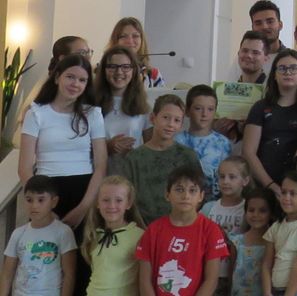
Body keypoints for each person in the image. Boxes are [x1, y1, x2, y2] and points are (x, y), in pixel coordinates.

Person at [18, 53, 107, 228]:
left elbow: (101, 166)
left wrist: (83, 209)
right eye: (70, 77)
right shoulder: (36, 113)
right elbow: (24, 168)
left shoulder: (93, 114)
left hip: (84, 192)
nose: (75, 84)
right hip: (46, 193)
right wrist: (42, 206)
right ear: (57, 77)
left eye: (82, 80)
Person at [134, 166, 228, 296]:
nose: (186, 196)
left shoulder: (210, 230)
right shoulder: (153, 230)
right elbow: (145, 280)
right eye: (179, 189)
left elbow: (211, 280)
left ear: (201, 196)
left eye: (192, 190)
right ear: (167, 195)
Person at [0, 176, 77, 296]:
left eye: (41, 200)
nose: (34, 206)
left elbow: (69, 274)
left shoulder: (63, 232)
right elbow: (7, 274)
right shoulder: (18, 233)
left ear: (54, 202)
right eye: (29, 200)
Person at [242, 49, 297, 193]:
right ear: (274, 75)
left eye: (293, 68)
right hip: (263, 186)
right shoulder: (260, 107)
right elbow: (248, 152)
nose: (288, 73)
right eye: (282, 68)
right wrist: (271, 186)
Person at [124, 94, 203, 223]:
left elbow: (198, 195)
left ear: (181, 124)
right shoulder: (134, 158)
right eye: (166, 117)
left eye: (176, 120)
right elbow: (128, 199)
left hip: (180, 225)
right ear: (152, 118)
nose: (170, 124)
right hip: (142, 227)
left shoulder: (187, 155)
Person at [79, 176, 147, 296]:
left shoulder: (139, 236)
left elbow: (146, 280)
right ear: (98, 203)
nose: (111, 206)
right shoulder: (94, 234)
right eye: (106, 200)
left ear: (128, 204)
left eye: (119, 200)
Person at [200, 156, 250, 296]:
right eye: (222, 177)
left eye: (232, 177)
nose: (225, 181)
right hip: (212, 275)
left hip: (240, 275)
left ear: (245, 180)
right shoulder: (208, 208)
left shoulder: (248, 209)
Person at [94, 46, 150, 172]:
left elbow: (151, 149)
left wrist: (134, 154)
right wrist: (107, 148)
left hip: (132, 173)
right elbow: (81, 149)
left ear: (133, 71)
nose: (119, 72)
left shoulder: (143, 107)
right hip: (99, 174)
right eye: (112, 67)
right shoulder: (92, 104)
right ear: (104, 70)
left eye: (125, 67)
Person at [175, 85, 231, 202]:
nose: (204, 114)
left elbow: (227, 178)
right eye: (198, 108)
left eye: (210, 109)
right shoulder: (177, 141)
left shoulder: (222, 143)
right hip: (183, 202)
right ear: (187, 111)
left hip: (214, 205)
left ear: (215, 111)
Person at [230, 187, 277, 296]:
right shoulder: (236, 242)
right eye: (251, 210)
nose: (255, 215)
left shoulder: (276, 243)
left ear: (271, 213)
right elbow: (230, 275)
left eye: (262, 211)